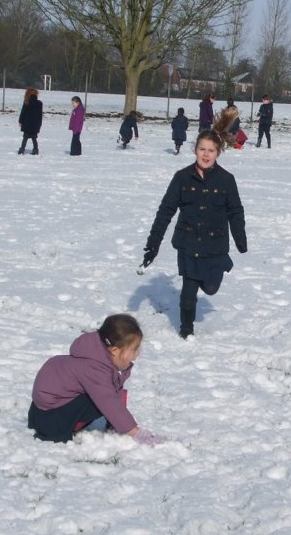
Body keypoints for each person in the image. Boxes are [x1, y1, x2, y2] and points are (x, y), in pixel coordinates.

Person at [141, 130, 247, 339]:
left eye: (211, 151)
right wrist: (153, 245)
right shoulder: (181, 178)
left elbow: (235, 211)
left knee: (210, 288)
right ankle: (186, 331)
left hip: (215, 247)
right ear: (195, 150)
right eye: (201, 150)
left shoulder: (226, 179)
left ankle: (217, 269)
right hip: (188, 242)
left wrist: (240, 240)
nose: (205, 155)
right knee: (188, 291)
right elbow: (165, 212)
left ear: (218, 153)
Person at [28, 313, 163, 445]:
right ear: (115, 350)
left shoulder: (94, 359)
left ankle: (114, 426)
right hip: (51, 421)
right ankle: (114, 426)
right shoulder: (93, 369)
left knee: (109, 394)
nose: (137, 353)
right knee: (105, 398)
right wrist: (136, 433)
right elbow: (109, 402)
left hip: (38, 414)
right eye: (135, 348)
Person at [18, 87, 43, 155]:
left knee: (25, 138)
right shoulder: (39, 103)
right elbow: (40, 115)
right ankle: (35, 150)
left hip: (27, 124)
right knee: (34, 138)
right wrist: (39, 124)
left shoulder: (26, 102)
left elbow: (23, 112)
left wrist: (20, 121)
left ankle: (22, 149)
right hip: (35, 124)